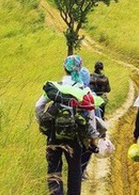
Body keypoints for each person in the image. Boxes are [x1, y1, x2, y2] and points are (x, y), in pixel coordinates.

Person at [35, 55, 102, 195]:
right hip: (75, 137)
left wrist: (43, 124)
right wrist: (93, 139)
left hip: (54, 135)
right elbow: (91, 116)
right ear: (80, 68)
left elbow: (38, 106)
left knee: (54, 168)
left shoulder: (55, 87)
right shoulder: (84, 89)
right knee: (75, 170)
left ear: (64, 67)